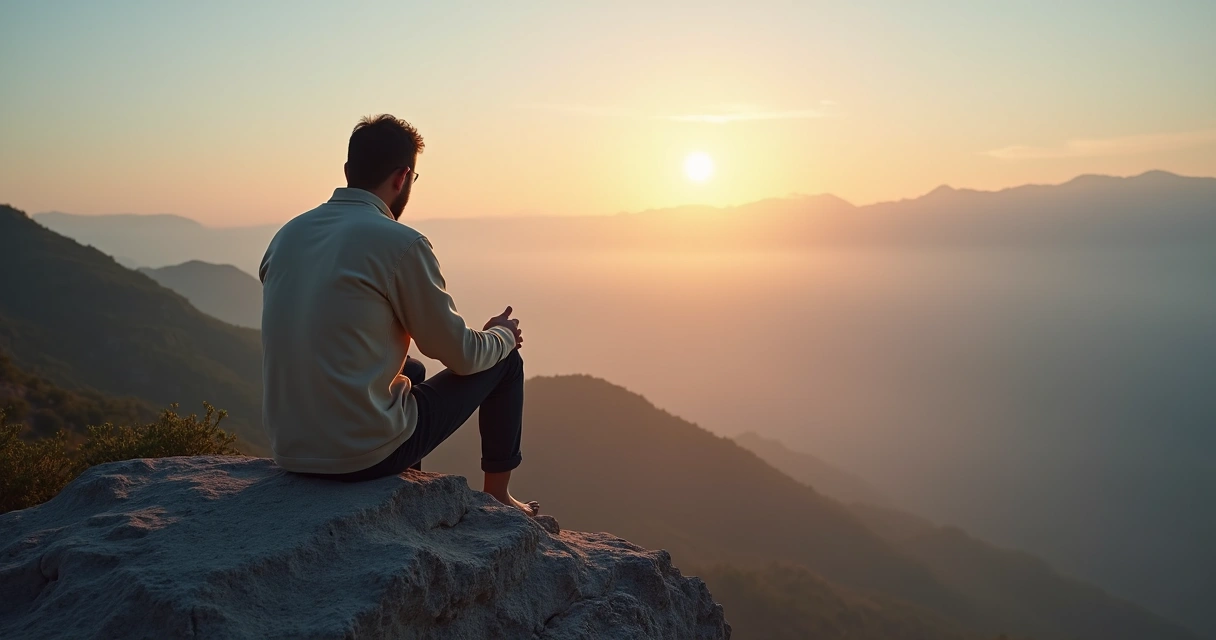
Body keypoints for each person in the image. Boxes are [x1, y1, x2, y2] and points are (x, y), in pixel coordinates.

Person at [259, 114, 538, 516]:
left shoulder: (287, 235)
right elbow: (461, 354)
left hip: (291, 451)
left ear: (347, 172)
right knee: (505, 362)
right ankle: (498, 496)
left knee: (412, 371)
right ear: (403, 177)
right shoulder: (400, 243)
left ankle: (400, 490)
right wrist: (502, 335)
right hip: (360, 457)